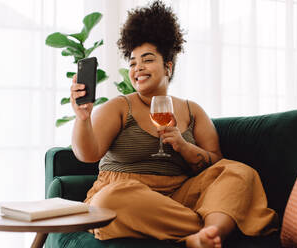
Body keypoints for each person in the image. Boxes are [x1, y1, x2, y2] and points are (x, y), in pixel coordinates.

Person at [69, 1, 277, 247]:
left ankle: (207, 235)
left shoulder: (192, 110)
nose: (138, 69)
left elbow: (216, 162)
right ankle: (208, 228)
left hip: (180, 194)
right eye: (133, 62)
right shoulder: (119, 107)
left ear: (168, 65)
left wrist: (184, 146)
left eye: (147, 60)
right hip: (128, 194)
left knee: (240, 172)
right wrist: (83, 119)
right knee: (108, 202)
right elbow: (87, 154)